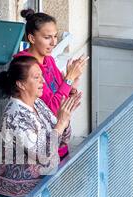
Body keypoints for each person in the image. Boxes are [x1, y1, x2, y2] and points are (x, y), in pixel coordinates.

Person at [0, 56, 81, 197]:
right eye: (36, 77)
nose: (43, 82)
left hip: (37, 193)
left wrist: (65, 119)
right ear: (21, 84)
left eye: (42, 76)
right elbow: (43, 154)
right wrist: (60, 123)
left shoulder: (38, 104)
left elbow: (62, 140)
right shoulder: (15, 115)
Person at [15, 8, 88, 159]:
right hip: (39, 148)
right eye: (47, 37)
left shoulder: (48, 59)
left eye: (55, 36)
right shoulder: (25, 65)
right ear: (32, 38)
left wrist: (72, 84)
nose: (54, 42)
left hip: (59, 141)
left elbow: (63, 97)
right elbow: (53, 109)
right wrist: (68, 79)